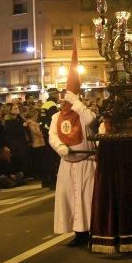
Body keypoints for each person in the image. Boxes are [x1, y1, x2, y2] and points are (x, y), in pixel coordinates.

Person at [49, 48, 98, 247]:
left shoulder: (83, 113)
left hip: (86, 162)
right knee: (71, 199)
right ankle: (78, 234)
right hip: (68, 163)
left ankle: (93, 231)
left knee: (87, 200)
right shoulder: (56, 117)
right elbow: (52, 135)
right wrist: (60, 147)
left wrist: (77, 103)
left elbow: (91, 120)